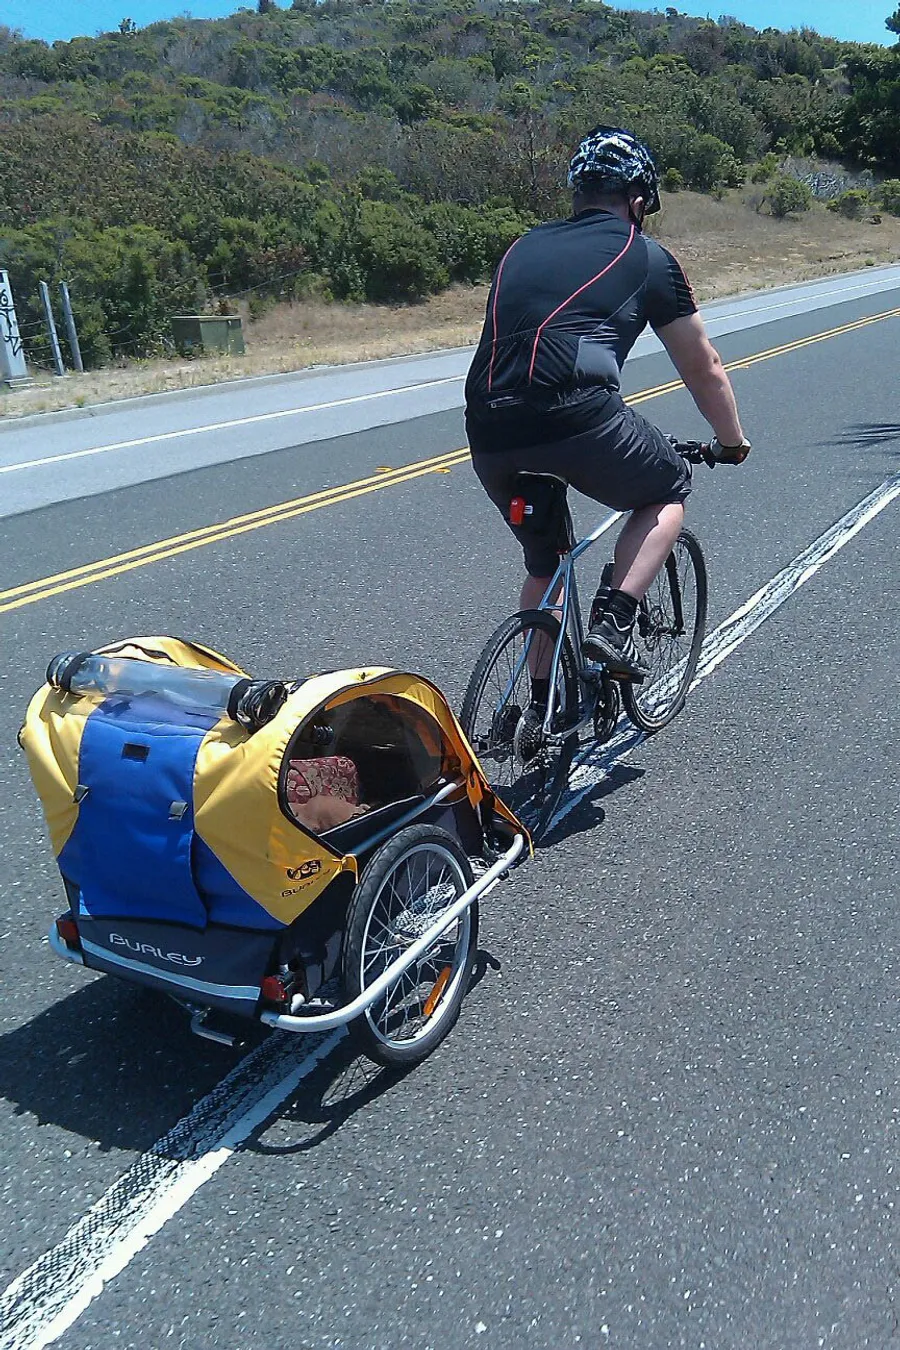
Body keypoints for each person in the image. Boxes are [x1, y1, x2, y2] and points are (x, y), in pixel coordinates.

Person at [465, 126, 750, 704]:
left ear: (578, 194)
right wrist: (731, 441)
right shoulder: (643, 255)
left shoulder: (521, 245)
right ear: (639, 201)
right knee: (668, 487)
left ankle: (535, 708)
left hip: (488, 427)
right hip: (576, 418)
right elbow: (703, 367)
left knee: (546, 563)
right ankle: (613, 623)